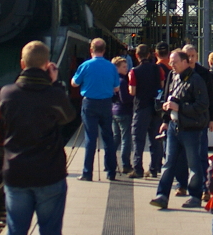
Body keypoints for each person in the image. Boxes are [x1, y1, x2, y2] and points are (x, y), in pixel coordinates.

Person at [0, 41, 76, 235]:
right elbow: (68, 117)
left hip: (16, 172)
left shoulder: (7, 93)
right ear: (46, 64)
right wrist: (55, 83)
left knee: (15, 231)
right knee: (50, 233)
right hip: (49, 172)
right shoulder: (54, 95)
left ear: (22, 64)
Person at [150, 49, 210, 209]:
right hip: (173, 126)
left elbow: (203, 104)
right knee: (168, 162)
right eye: (170, 62)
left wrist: (180, 107)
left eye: (174, 62)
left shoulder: (196, 79)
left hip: (191, 128)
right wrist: (165, 116)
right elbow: (167, 96)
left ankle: (195, 196)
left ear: (185, 62)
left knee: (193, 163)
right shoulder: (172, 76)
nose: (171, 65)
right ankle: (162, 195)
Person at [71, 38, 119, 181]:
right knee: (108, 138)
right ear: (104, 50)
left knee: (90, 138)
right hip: (106, 104)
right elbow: (116, 87)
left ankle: (87, 172)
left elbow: (74, 83)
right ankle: (111, 172)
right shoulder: (111, 67)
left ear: (91, 50)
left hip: (89, 104)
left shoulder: (85, 65)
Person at [128, 43, 166, 179]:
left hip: (141, 107)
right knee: (155, 139)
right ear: (149, 55)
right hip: (156, 108)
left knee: (138, 139)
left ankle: (138, 168)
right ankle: (154, 168)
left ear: (136, 55)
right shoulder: (158, 69)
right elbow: (162, 85)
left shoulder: (134, 71)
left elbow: (132, 91)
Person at [111, 56, 134, 175]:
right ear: (117, 68)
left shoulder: (112, 80)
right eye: (124, 67)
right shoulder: (122, 81)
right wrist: (134, 97)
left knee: (115, 138)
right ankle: (125, 164)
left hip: (114, 111)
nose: (127, 68)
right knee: (126, 139)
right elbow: (124, 99)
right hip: (124, 112)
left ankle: (109, 162)